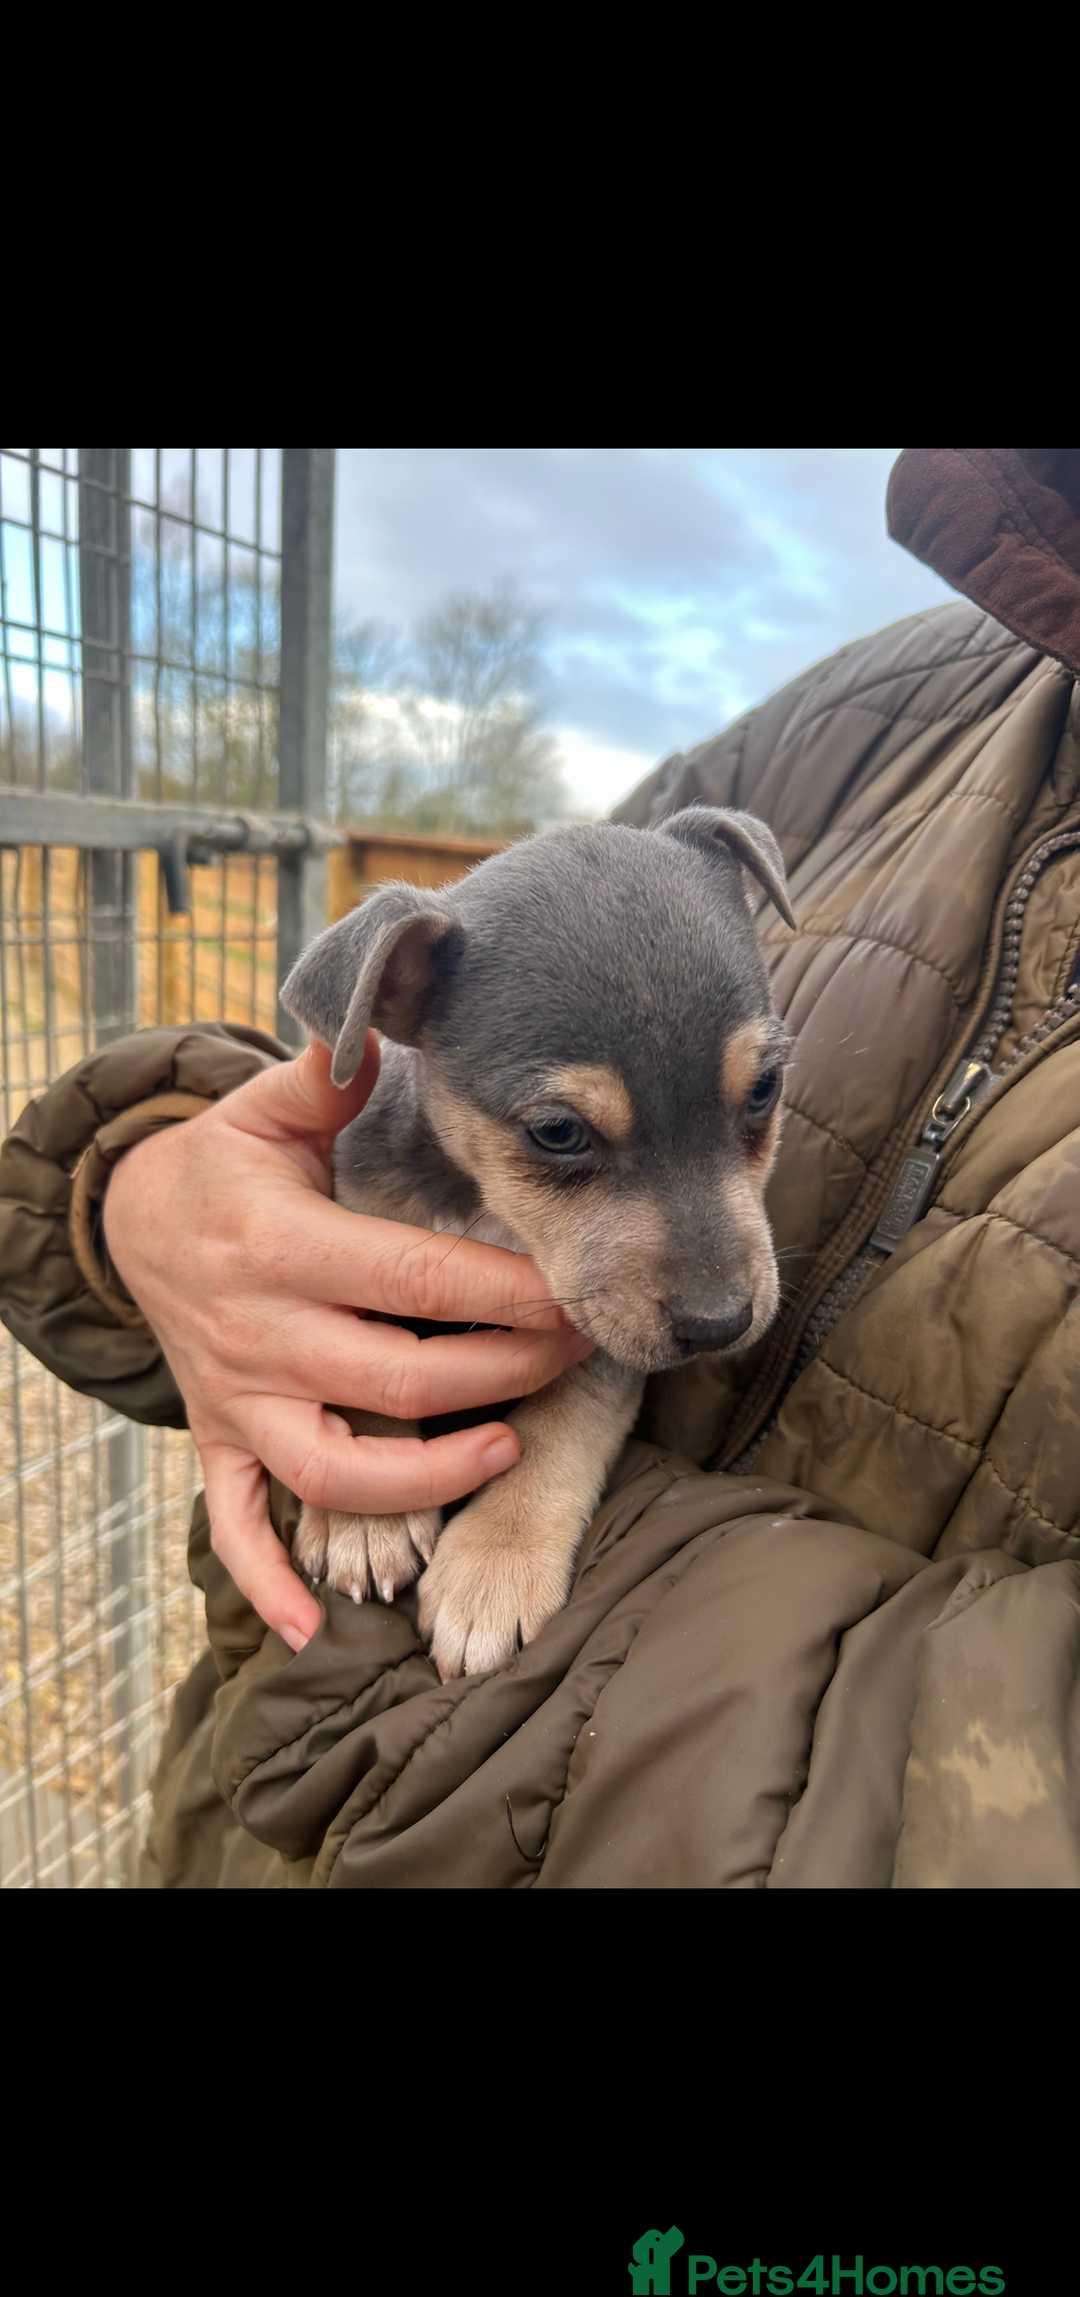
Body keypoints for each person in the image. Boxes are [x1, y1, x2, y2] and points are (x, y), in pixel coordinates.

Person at [3, 446, 1080, 1889]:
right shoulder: (881, 709)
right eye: (567, 1140)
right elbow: (275, 1227)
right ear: (395, 1005)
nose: (718, 1280)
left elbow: (598, 1358)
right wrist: (138, 1175)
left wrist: (528, 1509)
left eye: (756, 1101)